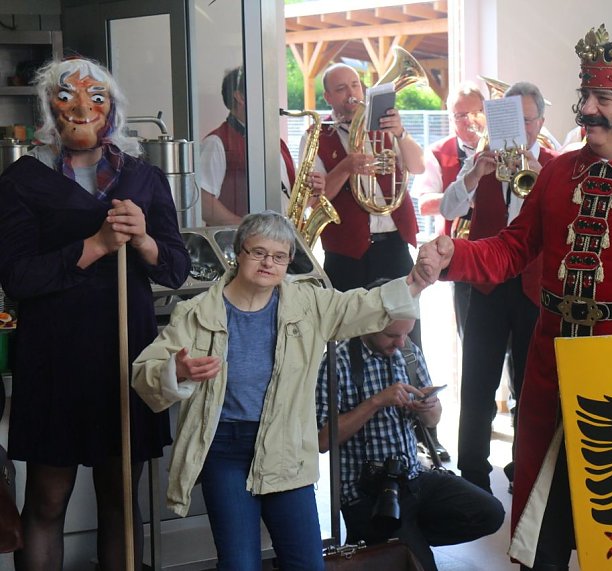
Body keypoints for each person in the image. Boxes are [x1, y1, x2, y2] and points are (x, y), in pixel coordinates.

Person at [416, 25, 612, 570]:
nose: (586, 109)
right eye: (586, 96)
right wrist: (455, 258)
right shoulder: (560, 170)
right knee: (544, 510)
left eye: (602, 99)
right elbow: (515, 249)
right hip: (550, 365)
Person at [131, 211, 434, 570]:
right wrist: (176, 370)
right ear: (238, 253)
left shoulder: (309, 305)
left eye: (279, 256)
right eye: (258, 252)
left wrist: (414, 282)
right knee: (239, 564)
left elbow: (361, 305)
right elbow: (143, 373)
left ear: (290, 261)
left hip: (286, 445)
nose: (268, 263)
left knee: (306, 564)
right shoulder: (195, 313)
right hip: (224, 448)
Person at [0, 57, 191, 570]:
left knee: (120, 498)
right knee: (47, 499)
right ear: (48, 108)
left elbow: (174, 268)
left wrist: (145, 239)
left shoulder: (143, 176)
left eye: (97, 98)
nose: (82, 107)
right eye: (67, 97)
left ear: (113, 110)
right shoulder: (23, 178)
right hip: (54, 357)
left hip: (124, 356)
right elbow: (17, 279)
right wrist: (96, 244)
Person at [315, 291, 505, 571]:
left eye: (407, 333)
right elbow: (322, 440)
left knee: (490, 512)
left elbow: (433, 421)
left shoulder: (408, 352)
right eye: (393, 335)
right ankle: (389, 540)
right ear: (370, 322)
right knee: (418, 566)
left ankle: (392, 541)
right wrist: (377, 401)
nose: (401, 342)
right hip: (366, 491)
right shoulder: (338, 361)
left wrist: (429, 406)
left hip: (413, 477)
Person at [439, 81, 558, 494]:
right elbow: (448, 210)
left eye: (526, 120)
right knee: (477, 385)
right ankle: (472, 474)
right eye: (509, 120)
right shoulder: (480, 161)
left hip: (533, 288)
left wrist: (542, 177)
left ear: (540, 122)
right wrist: (472, 176)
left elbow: (565, 222)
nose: (518, 129)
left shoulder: (555, 166)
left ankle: (522, 470)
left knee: (530, 387)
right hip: (486, 289)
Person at [300, 63, 425, 295]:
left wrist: (401, 134)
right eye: (341, 88)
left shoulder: (384, 125)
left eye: (355, 85)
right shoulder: (315, 136)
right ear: (327, 97)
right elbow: (314, 201)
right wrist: (345, 167)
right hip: (346, 253)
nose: (351, 94)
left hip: (394, 244)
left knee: (403, 324)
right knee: (350, 328)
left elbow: (418, 166)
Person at [198, 66, 324, 226]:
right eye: (265, 93)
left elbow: (290, 202)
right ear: (240, 97)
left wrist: (312, 193)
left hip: (280, 241)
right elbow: (204, 204)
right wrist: (250, 229)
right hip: (237, 245)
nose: (272, 100)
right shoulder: (216, 142)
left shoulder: (277, 143)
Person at [411, 81, 485, 338]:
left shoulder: (504, 147)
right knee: (471, 333)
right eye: (460, 115)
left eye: (476, 112)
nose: (469, 121)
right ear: (451, 118)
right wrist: (464, 198)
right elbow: (424, 203)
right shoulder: (437, 152)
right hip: (461, 250)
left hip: (500, 246)